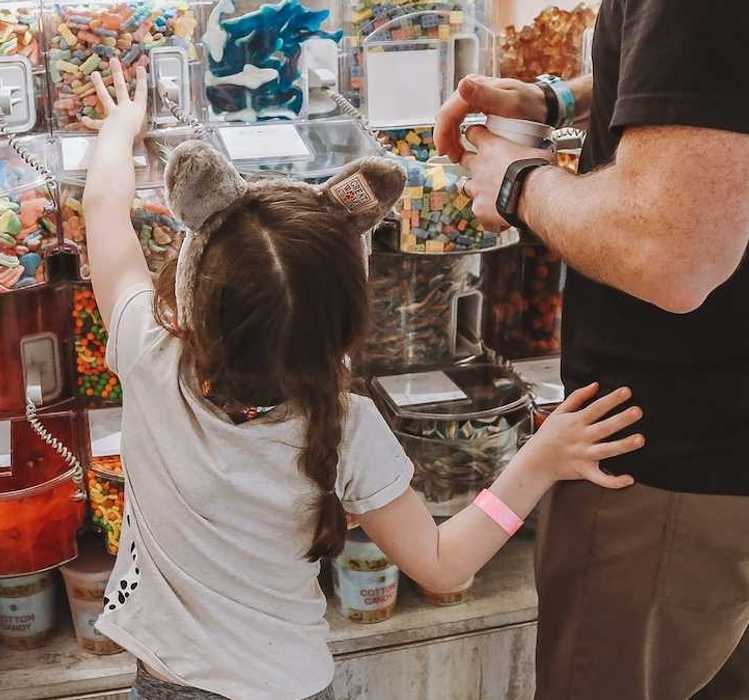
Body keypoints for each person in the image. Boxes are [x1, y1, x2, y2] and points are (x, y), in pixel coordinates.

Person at [81, 57, 644, 700]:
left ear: (189, 288)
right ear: (349, 321)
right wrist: (538, 460)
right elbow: (442, 564)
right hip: (286, 684)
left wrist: (119, 129)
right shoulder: (347, 427)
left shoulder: (148, 355)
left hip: (165, 679)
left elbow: (104, 210)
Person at [432, 2, 749, 697]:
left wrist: (517, 180)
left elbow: (668, 253)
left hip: (667, 469)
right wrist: (562, 97)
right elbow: (712, 86)